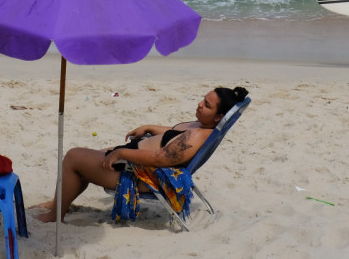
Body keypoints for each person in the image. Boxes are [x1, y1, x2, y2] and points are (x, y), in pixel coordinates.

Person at [31, 85, 249, 223]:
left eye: (207, 105)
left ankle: (55, 214)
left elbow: (159, 159)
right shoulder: (201, 126)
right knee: (88, 157)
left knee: (73, 157)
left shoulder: (196, 138)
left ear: (219, 116)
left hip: (138, 175)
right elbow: (174, 133)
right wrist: (150, 127)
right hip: (133, 161)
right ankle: (59, 203)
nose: (200, 104)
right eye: (203, 99)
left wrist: (121, 153)